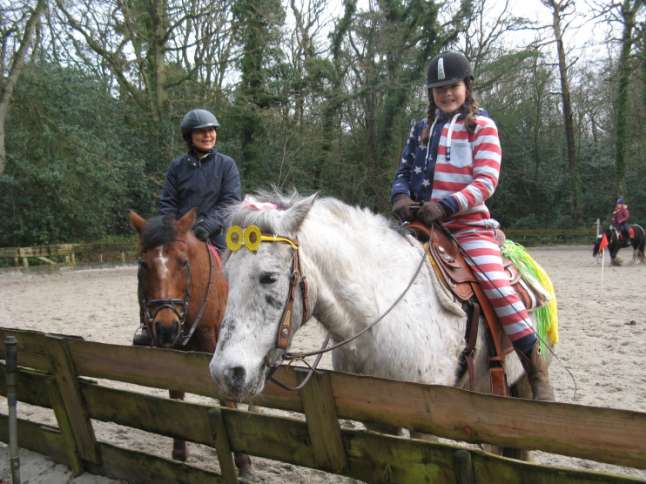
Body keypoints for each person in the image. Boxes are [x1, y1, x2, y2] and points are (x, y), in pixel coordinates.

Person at [390, 51, 554, 401]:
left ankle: (535, 369)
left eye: (453, 87)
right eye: (439, 89)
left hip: (466, 227)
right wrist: (400, 198)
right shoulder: (419, 129)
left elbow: (486, 181)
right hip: (420, 224)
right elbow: (403, 172)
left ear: (467, 86)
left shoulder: (482, 126)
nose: (446, 94)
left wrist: (447, 205)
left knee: (495, 285)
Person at [133, 108, 242, 346]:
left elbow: (230, 202)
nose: (208, 135)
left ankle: (238, 323)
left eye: (211, 130)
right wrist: (171, 230)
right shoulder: (177, 167)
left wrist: (208, 225)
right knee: (149, 269)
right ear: (189, 136)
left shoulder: (226, 165)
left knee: (238, 273)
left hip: (215, 235)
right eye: (202, 131)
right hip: (180, 236)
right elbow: (168, 203)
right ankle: (146, 324)